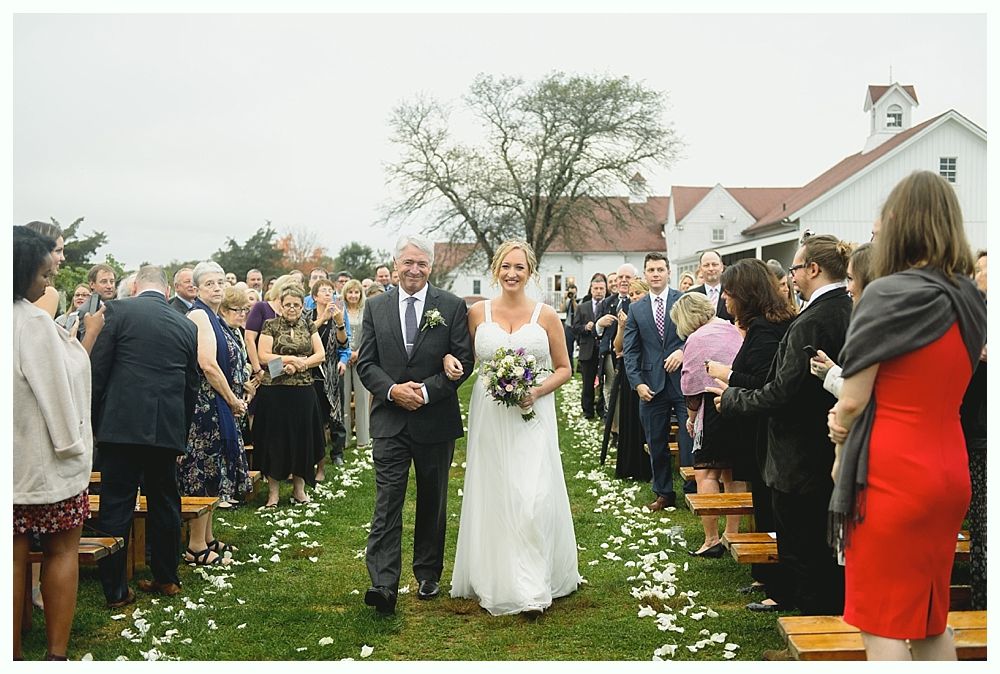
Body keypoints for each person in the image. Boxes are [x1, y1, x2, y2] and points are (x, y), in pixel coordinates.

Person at [827, 172, 986, 660]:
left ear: (899, 223)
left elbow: (852, 399)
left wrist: (837, 432)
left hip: (891, 473)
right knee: (929, 621)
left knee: (881, 624)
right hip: (948, 468)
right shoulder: (970, 298)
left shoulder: (888, 293)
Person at [710, 234, 853, 616]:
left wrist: (733, 399)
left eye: (794, 267)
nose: (790, 277)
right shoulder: (849, 308)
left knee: (803, 550)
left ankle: (812, 633)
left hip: (799, 452)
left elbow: (782, 392)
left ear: (813, 269)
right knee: (826, 552)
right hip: (832, 445)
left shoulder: (814, 320)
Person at [448, 240, 579, 615]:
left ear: (530, 272)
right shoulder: (477, 313)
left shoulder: (546, 315)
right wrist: (449, 362)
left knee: (533, 495)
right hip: (490, 413)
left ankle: (534, 584)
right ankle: (499, 576)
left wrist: (536, 391)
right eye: (506, 266)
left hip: (532, 415)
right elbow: (464, 357)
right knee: (497, 491)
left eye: (519, 267)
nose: (512, 274)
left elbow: (564, 368)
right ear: (495, 269)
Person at [356, 234, 473, 615]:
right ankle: (384, 584)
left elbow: (463, 363)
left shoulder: (452, 307)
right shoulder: (375, 306)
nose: (414, 269)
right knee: (387, 501)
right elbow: (366, 363)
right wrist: (392, 391)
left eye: (421, 263)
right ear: (395, 265)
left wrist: (424, 393)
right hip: (390, 420)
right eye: (408, 262)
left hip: (434, 420)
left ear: (431, 266)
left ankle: (427, 572)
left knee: (432, 498)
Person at [90, 265, 199, 606]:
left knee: (117, 505)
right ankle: (167, 578)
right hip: (165, 428)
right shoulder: (185, 325)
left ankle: (116, 590)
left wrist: (94, 425)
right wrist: (180, 433)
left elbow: (98, 372)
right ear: (167, 291)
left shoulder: (117, 311)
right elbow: (191, 386)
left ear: (135, 285)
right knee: (166, 501)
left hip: (120, 427)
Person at [13, 227, 92, 661]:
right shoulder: (32, 322)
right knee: (62, 549)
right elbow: (56, 394)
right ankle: (55, 655)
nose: (48, 282)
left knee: (11, 556)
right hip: (42, 462)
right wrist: (73, 448)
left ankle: (12, 654)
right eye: (43, 274)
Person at [705, 258, 796, 606]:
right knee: (763, 504)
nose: (725, 301)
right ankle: (765, 576)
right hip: (759, 431)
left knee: (772, 509)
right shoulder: (765, 325)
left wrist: (727, 379)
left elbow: (764, 382)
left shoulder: (765, 330)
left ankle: (777, 586)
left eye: (729, 294)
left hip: (767, 431)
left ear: (745, 294)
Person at [176, 262, 252, 564]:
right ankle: (195, 546)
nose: (217, 288)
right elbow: (207, 364)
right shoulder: (198, 315)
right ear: (197, 288)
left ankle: (207, 537)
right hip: (205, 409)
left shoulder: (216, 317)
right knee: (202, 474)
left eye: (221, 282)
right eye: (209, 283)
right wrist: (233, 399)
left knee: (214, 471)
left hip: (217, 405)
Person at [672, 292, 744, 557]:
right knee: (733, 473)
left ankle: (711, 539)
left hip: (711, 410)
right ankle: (733, 534)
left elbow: (691, 383)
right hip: (737, 405)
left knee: (706, 474)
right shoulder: (732, 329)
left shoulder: (697, 338)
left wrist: (691, 419)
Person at [623, 252, 693, 510]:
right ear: (645, 273)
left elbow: (697, 334)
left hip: (683, 382)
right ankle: (663, 492)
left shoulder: (683, 300)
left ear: (668, 272)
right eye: (651, 270)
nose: (655, 274)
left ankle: (691, 489)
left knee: (688, 438)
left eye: (660, 269)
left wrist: (683, 351)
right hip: (650, 385)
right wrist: (637, 383)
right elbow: (630, 351)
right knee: (656, 442)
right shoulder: (636, 308)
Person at [254, 287, 327, 507]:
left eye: (296, 304)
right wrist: (289, 360)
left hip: (303, 390)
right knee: (275, 440)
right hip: (275, 391)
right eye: (288, 305)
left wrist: (302, 363)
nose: (292, 308)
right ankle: (273, 494)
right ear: (280, 305)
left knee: (302, 439)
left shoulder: (309, 324)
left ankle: (299, 490)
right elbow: (263, 355)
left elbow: (320, 354)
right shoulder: (270, 325)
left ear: (302, 306)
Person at [808, 243, 874, 397]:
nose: (848, 288)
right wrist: (831, 372)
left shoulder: (874, 329)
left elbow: (858, 394)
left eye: (850, 279)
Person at [961, 250, 986, 611]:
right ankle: (980, 600)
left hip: (982, 435)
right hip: (971, 430)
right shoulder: (975, 315)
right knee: (979, 525)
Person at [608, 278, 652, 481]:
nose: (634, 297)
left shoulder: (651, 315)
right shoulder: (629, 314)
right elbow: (618, 348)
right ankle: (629, 465)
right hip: (629, 373)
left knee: (645, 420)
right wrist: (622, 327)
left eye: (638, 293)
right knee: (629, 416)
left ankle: (647, 466)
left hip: (648, 372)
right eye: (632, 294)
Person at [217, 286, 261, 487]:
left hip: (239, 393)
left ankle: (234, 487)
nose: (243, 314)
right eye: (238, 310)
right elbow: (229, 365)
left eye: (245, 310)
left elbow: (242, 363)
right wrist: (247, 376)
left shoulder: (236, 331)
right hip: (224, 394)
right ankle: (224, 490)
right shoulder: (221, 330)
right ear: (224, 310)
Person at [309, 278, 350, 479]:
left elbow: (344, 343)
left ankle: (337, 452)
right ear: (315, 296)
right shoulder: (307, 316)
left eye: (331, 291)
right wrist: (322, 318)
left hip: (332, 370)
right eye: (324, 291)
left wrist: (340, 323)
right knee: (315, 417)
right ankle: (316, 460)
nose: (328, 294)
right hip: (312, 372)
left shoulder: (339, 314)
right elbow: (303, 337)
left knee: (335, 412)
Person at [572, 273, 608, 419]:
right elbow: (574, 328)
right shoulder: (582, 307)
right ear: (591, 289)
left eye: (601, 288)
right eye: (596, 288)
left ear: (605, 289)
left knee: (605, 382)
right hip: (588, 350)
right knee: (587, 383)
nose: (599, 291)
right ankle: (588, 411)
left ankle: (601, 409)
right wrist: (585, 328)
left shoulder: (609, 305)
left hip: (604, 350)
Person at [342, 279, 372, 448]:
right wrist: (347, 353)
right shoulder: (341, 310)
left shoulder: (366, 311)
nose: (353, 295)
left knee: (362, 397)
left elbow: (369, 335)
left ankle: (363, 438)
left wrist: (358, 352)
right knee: (344, 397)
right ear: (345, 294)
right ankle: (345, 439)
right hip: (344, 359)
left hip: (361, 356)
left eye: (356, 292)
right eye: (350, 292)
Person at [23, 221, 65, 318]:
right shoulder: (48, 293)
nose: (63, 258)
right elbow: (37, 333)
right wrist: (91, 332)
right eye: (58, 251)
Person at [686, 250, 734, 322]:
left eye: (714, 264)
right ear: (700, 269)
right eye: (706, 265)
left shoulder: (733, 293)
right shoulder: (691, 296)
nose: (711, 268)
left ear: (721, 267)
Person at [560, 282, 578, 373]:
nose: (571, 294)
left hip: (578, 326)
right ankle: (571, 370)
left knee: (582, 349)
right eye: (570, 292)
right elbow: (562, 309)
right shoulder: (567, 301)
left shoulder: (580, 300)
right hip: (568, 326)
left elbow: (577, 310)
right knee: (568, 349)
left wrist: (573, 299)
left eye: (573, 293)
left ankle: (580, 369)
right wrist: (564, 298)